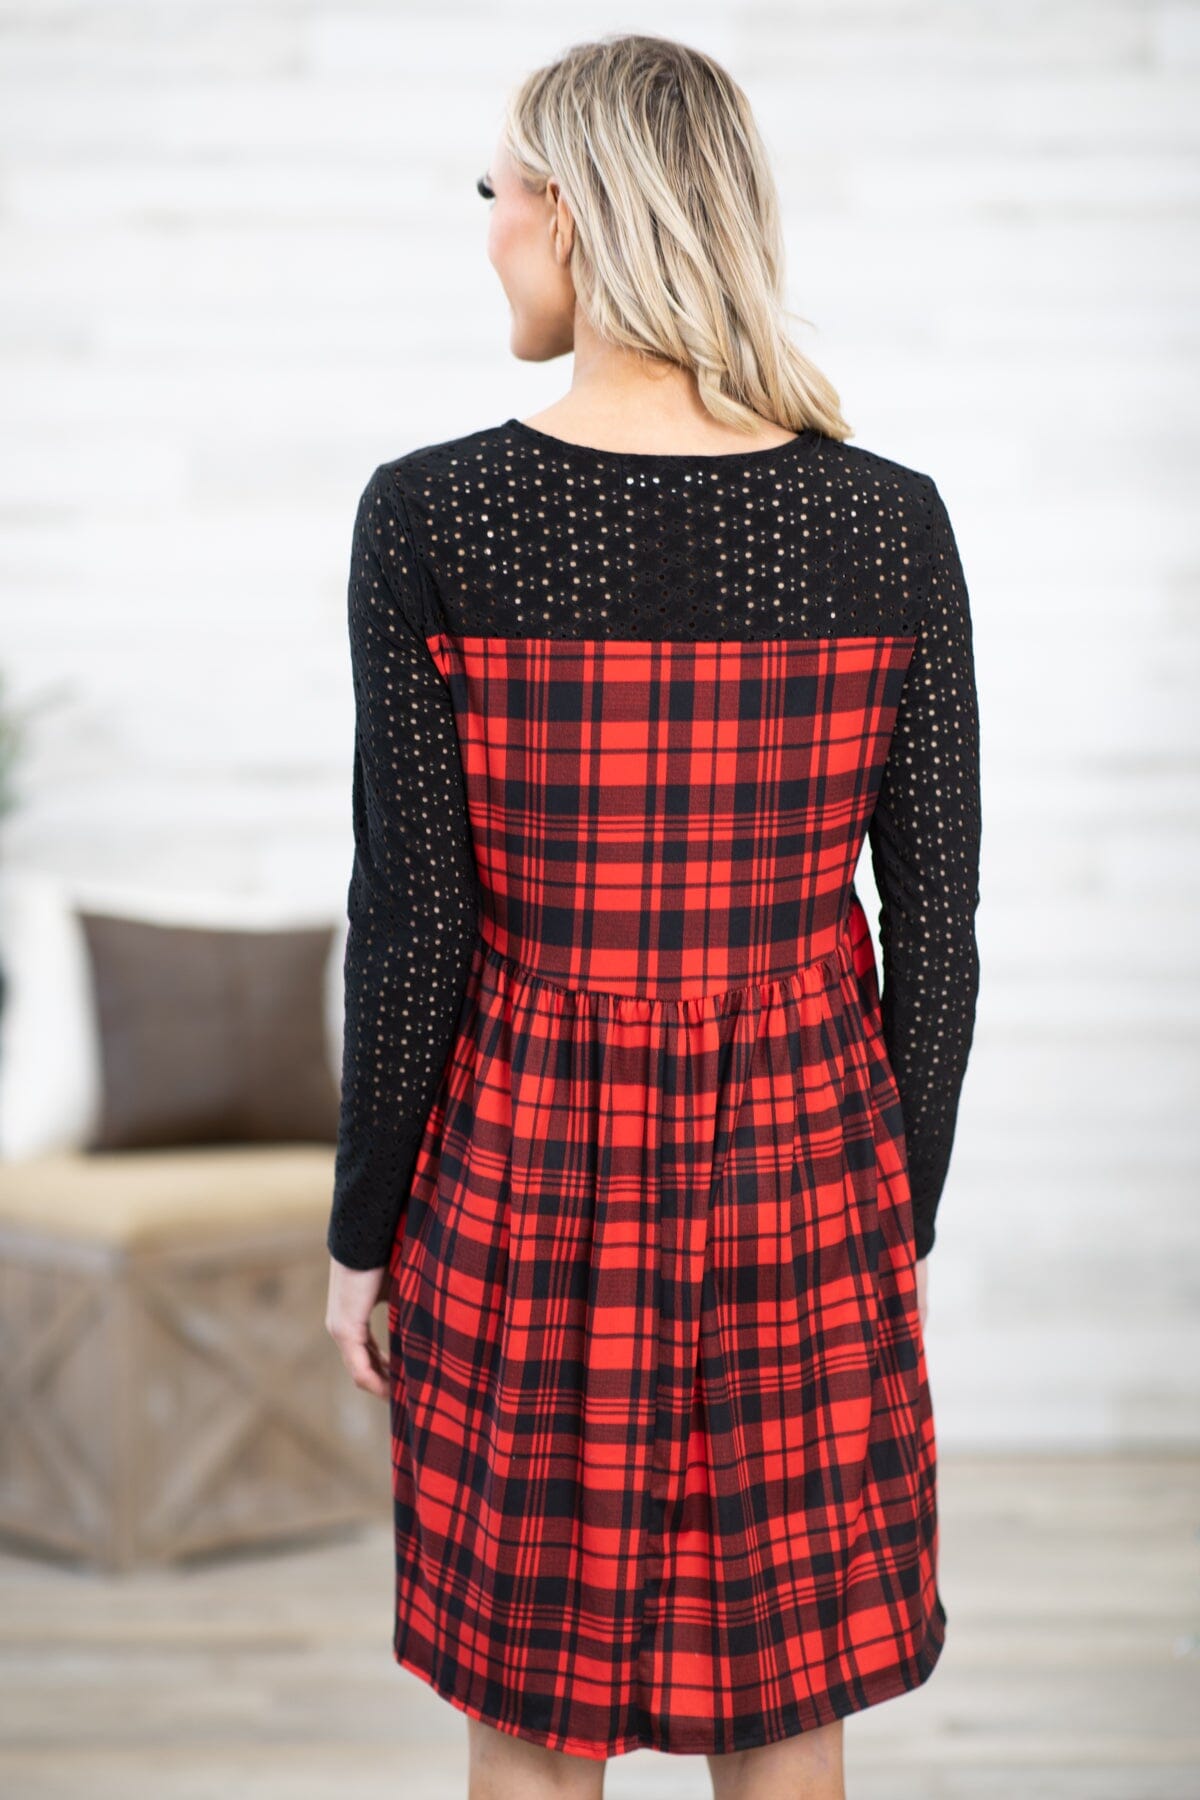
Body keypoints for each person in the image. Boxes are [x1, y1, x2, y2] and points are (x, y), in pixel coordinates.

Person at [324, 30, 981, 1800]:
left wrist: (361, 1236)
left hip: (522, 1174)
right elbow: (937, 931)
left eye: (494, 190)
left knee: (532, 1724)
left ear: (570, 210)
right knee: (786, 1711)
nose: (487, 230)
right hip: (806, 1172)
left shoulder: (434, 514)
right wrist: (891, 1212)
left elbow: (414, 928)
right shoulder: (890, 523)